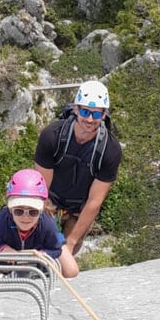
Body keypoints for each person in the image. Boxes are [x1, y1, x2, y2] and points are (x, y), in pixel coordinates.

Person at [34, 80, 122, 255]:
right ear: (76, 109)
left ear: (104, 115)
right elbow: (41, 187)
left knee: (68, 253)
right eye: (85, 112)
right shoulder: (52, 136)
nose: (90, 119)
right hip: (49, 200)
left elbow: (95, 201)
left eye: (96, 114)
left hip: (79, 208)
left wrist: (72, 241)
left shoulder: (110, 150)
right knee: (39, 243)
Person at [0, 168, 79, 278]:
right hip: (12, 249)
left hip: (43, 244)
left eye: (33, 212)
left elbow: (55, 249)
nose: (25, 217)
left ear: (42, 208)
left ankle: (44, 274)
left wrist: (43, 255)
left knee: (71, 271)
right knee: (3, 269)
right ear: (10, 208)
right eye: (19, 211)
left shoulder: (47, 222)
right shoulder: (1, 220)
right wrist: (2, 249)